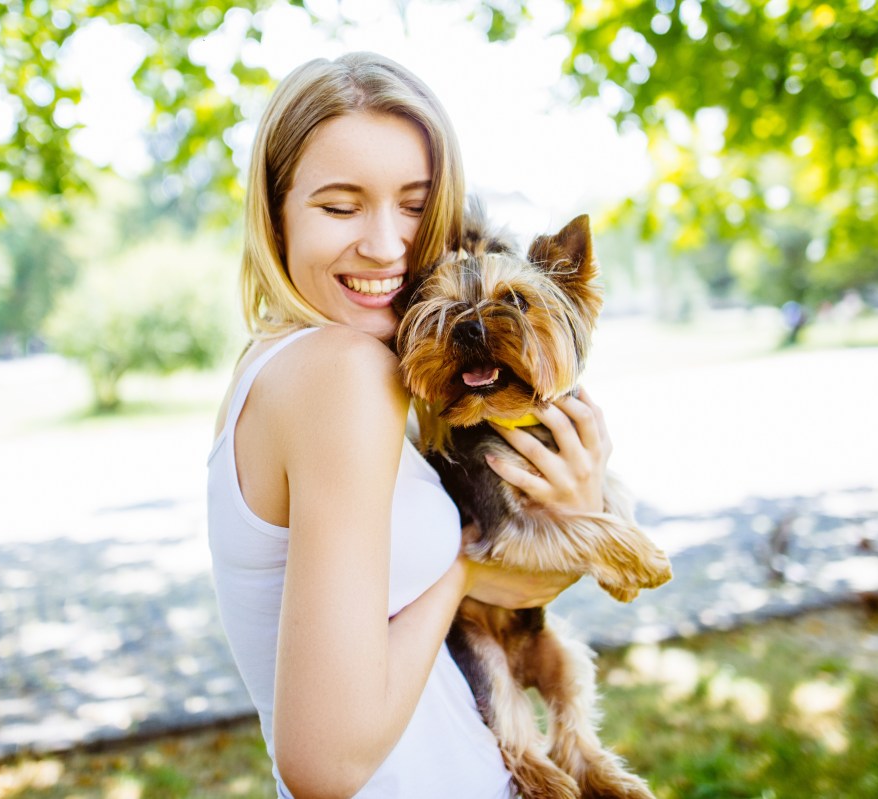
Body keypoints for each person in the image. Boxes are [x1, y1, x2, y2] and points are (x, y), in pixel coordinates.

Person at [207, 51, 615, 799]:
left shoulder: (285, 363)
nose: (388, 244)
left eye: (417, 205)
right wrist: (466, 569)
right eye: (339, 206)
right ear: (275, 214)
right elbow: (324, 766)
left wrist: (566, 511)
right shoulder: (342, 372)